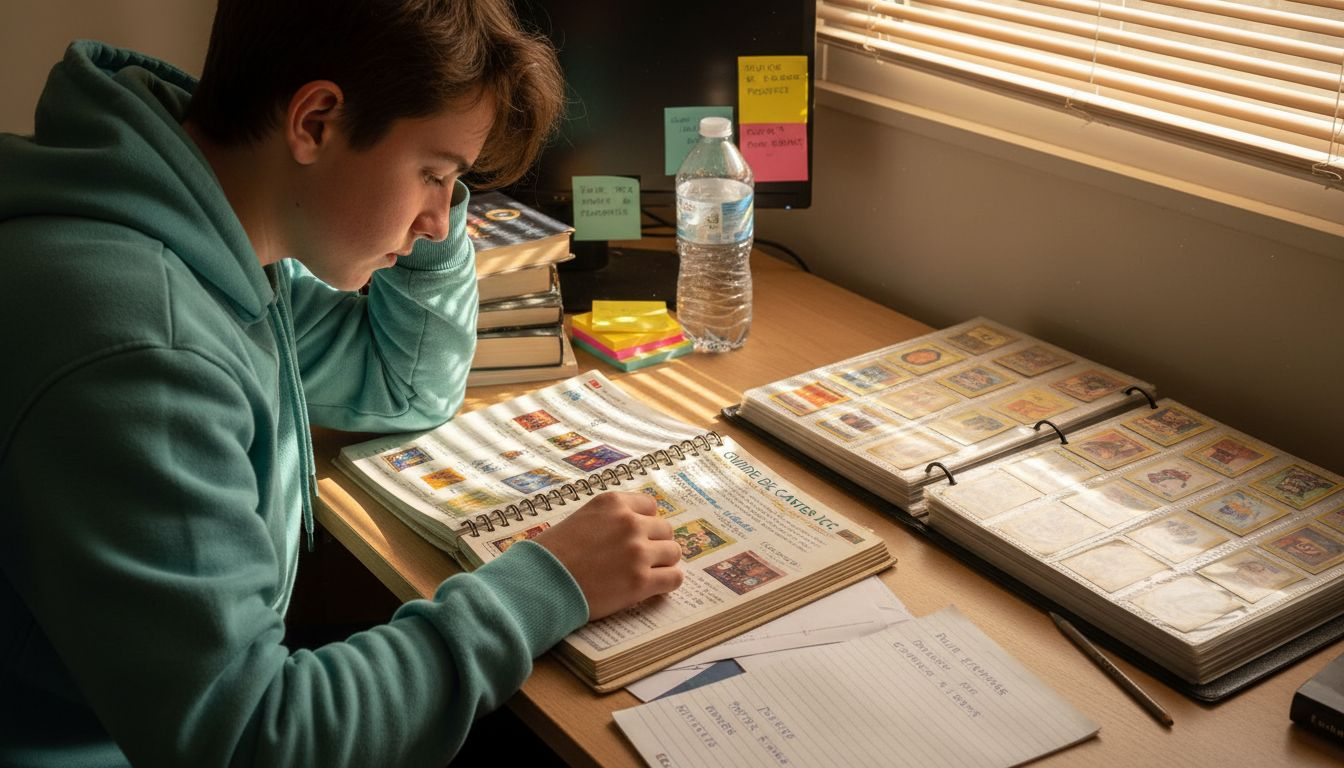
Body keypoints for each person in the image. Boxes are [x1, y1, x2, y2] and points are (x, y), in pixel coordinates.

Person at [0, 1, 684, 765]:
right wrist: (545, 587)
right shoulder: (142, 347)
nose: (438, 220)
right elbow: (256, 738)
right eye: (434, 175)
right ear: (316, 121)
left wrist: (424, 195)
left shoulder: (214, 237)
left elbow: (402, 385)